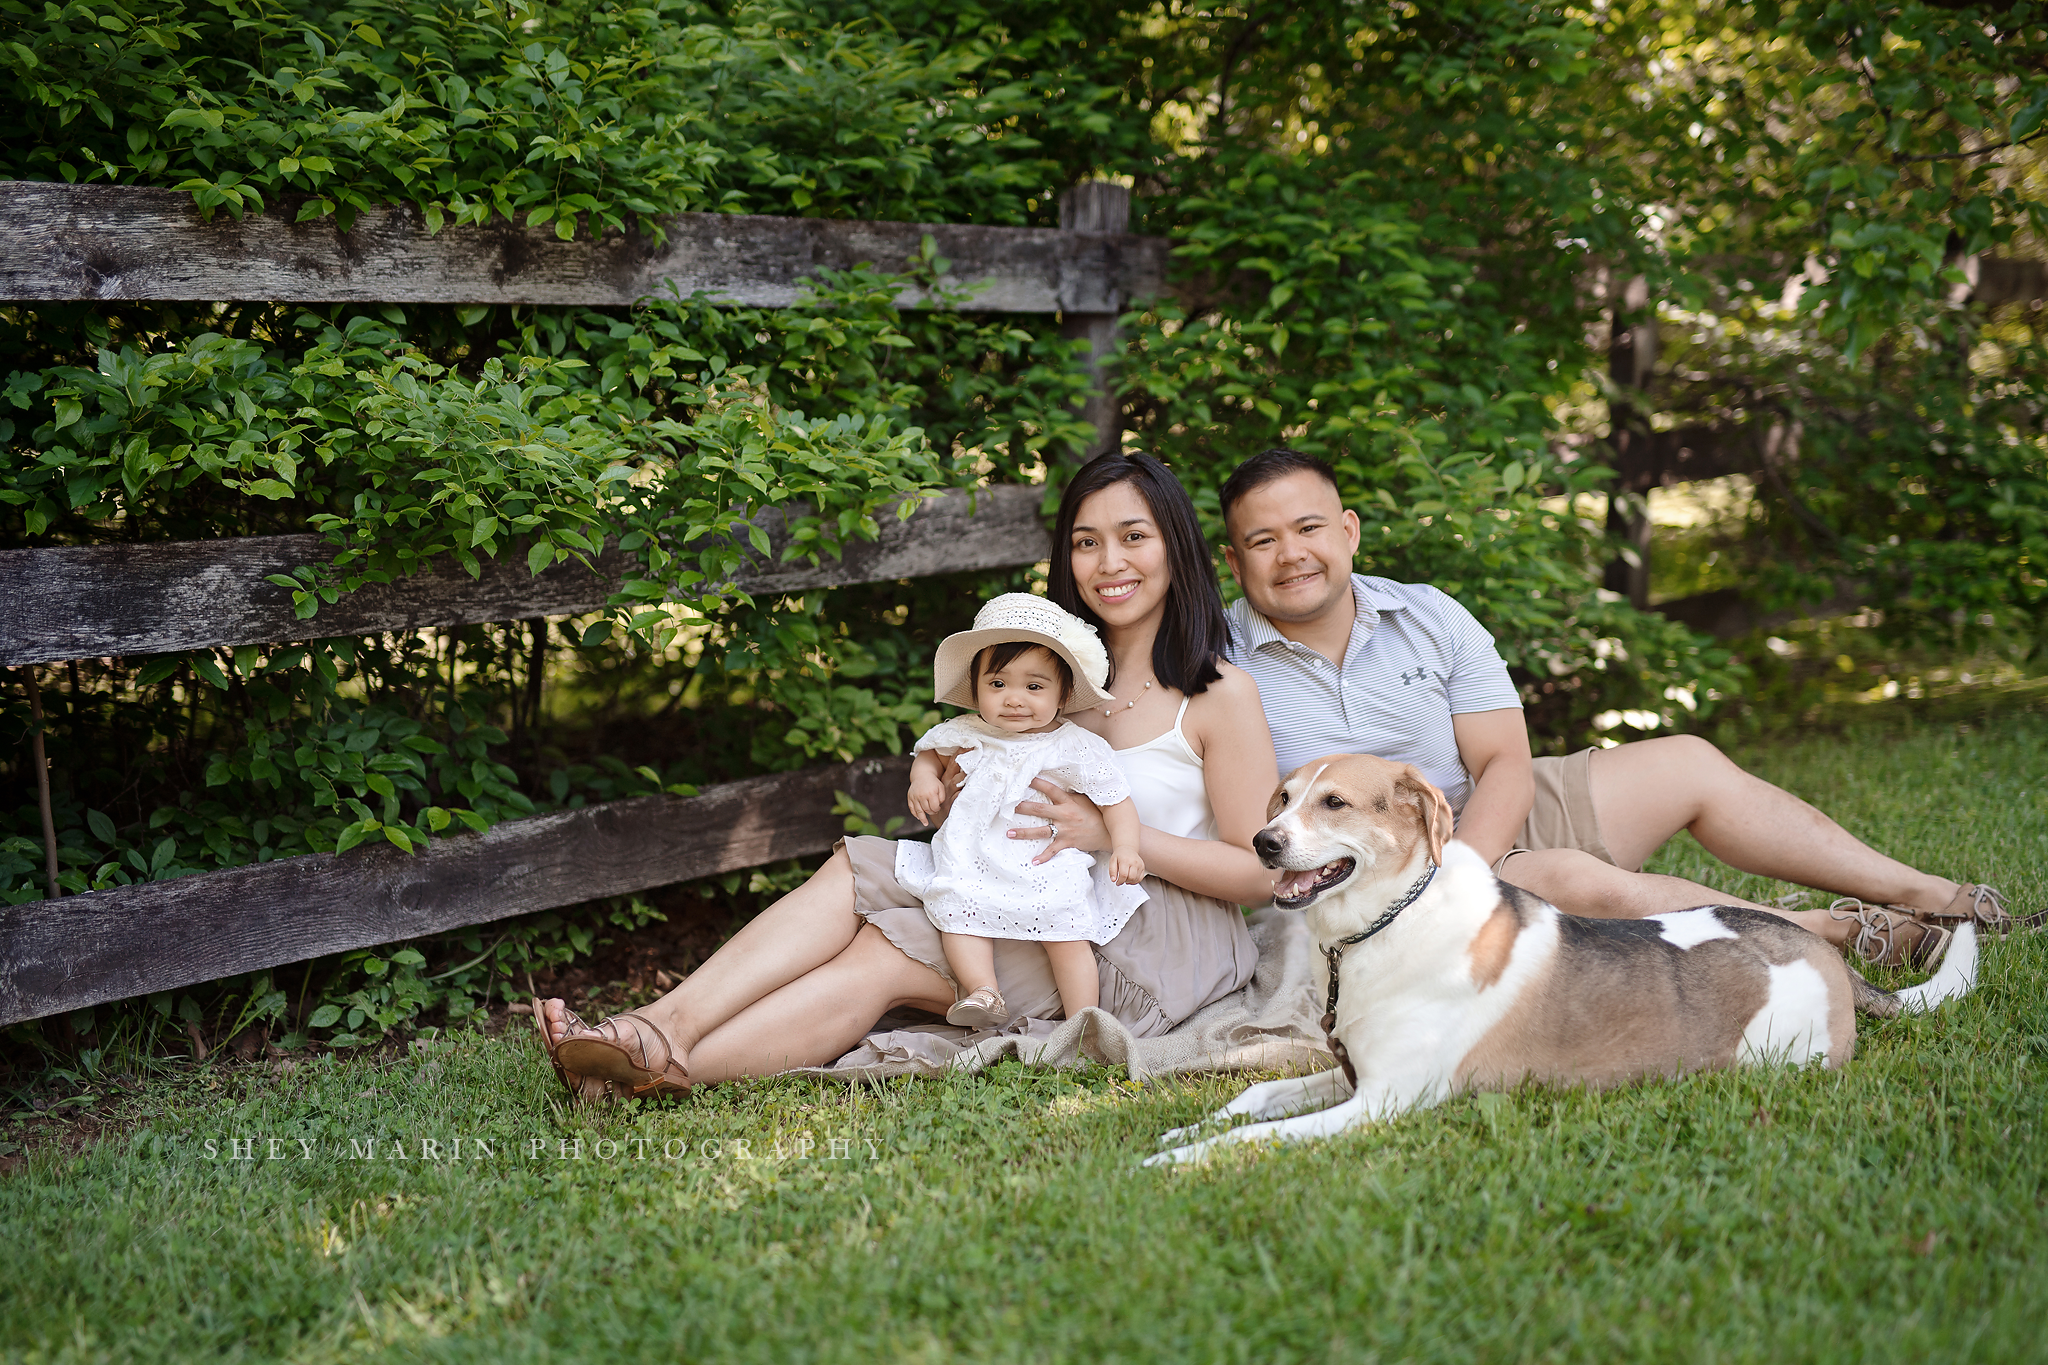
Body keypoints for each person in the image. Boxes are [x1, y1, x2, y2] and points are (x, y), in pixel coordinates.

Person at [538, 453, 1277, 1099]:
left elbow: (1258, 874)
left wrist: (1108, 832)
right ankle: (656, 1027)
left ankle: (659, 1069)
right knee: (856, 868)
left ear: (1176, 547)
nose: (1110, 561)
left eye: (1133, 537)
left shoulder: (1217, 694)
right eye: (1087, 542)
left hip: (1145, 940)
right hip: (1023, 883)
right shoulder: (1041, 678)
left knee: (885, 948)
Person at [1216, 446, 2026, 967]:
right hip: (1369, 864)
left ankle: (1926, 892)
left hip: (1483, 818)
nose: (1292, 554)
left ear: (1350, 532)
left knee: (1687, 763)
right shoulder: (1218, 659)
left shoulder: (1427, 611)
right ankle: (1842, 935)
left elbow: (1502, 761)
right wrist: (1441, 880)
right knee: (1579, 880)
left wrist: (1463, 861)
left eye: (1310, 527)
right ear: (1235, 558)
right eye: (1263, 540)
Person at [902, 595, 1149, 1029]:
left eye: (1034, 687)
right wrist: (923, 779)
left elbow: (1116, 800)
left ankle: (1084, 1018)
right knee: (958, 907)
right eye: (998, 684)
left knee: (1068, 930)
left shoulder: (1072, 744)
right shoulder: (964, 730)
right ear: (976, 688)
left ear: (1063, 693)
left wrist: (1127, 847)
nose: (1014, 699)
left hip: (1044, 860)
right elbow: (928, 754)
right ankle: (983, 990)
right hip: (973, 852)